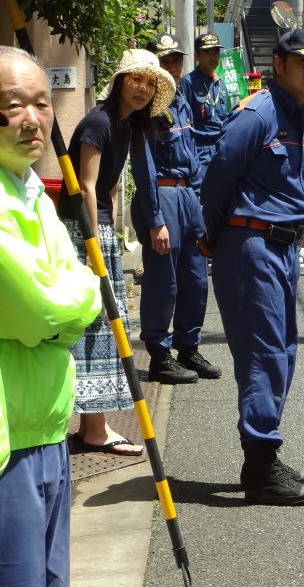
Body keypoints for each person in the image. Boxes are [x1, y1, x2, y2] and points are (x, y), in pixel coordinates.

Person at [200, 27, 304, 505]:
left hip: (281, 248)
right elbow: (217, 179)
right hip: (251, 243)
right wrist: (215, 235)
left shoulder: (298, 112)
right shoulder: (258, 113)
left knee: (281, 352)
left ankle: (263, 457)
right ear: (279, 65)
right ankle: (259, 469)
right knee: (264, 355)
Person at [0, 46, 102, 587]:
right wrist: (73, 304)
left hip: (48, 425)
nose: (32, 118)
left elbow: (73, 292)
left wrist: (70, 302)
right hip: (5, 442)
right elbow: (37, 307)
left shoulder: (32, 189)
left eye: (42, 104)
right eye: (12, 104)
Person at [58, 48, 175, 457]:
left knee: (106, 327)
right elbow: (86, 187)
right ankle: (93, 428)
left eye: (150, 83)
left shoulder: (126, 125)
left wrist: (107, 237)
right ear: (121, 81)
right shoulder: (99, 121)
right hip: (82, 234)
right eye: (136, 79)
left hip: (101, 232)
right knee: (94, 325)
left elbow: (109, 187)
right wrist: (94, 246)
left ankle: (95, 426)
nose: (142, 88)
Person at [131, 34, 220, 384]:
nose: (173, 67)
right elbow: (144, 168)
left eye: (177, 60)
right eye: (165, 61)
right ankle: (159, 354)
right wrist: (155, 220)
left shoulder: (181, 101)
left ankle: (188, 347)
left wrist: (201, 207)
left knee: (195, 279)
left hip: (188, 196)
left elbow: (192, 156)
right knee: (162, 281)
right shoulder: (147, 108)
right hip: (162, 195)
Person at [178, 32, 228, 177]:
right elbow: (183, 121)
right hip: (200, 150)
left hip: (221, 148)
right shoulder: (188, 82)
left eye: (216, 52)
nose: (213, 58)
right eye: (207, 53)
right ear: (197, 56)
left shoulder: (220, 84)